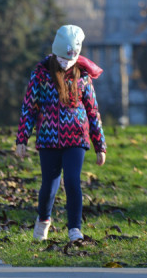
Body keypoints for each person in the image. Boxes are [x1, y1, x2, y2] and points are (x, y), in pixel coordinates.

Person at [15, 25, 107, 243]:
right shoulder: (40, 74)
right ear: (55, 53)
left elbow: (93, 111)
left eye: (71, 60)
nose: (67, 64)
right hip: (48, 138)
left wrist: (99, 145)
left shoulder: (83, 76)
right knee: (49, 183)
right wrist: (22, 139)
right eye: (63, 59)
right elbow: (29, 107)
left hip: (76, 138)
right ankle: (44, 220)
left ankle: (75, 228)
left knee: (73, 181)